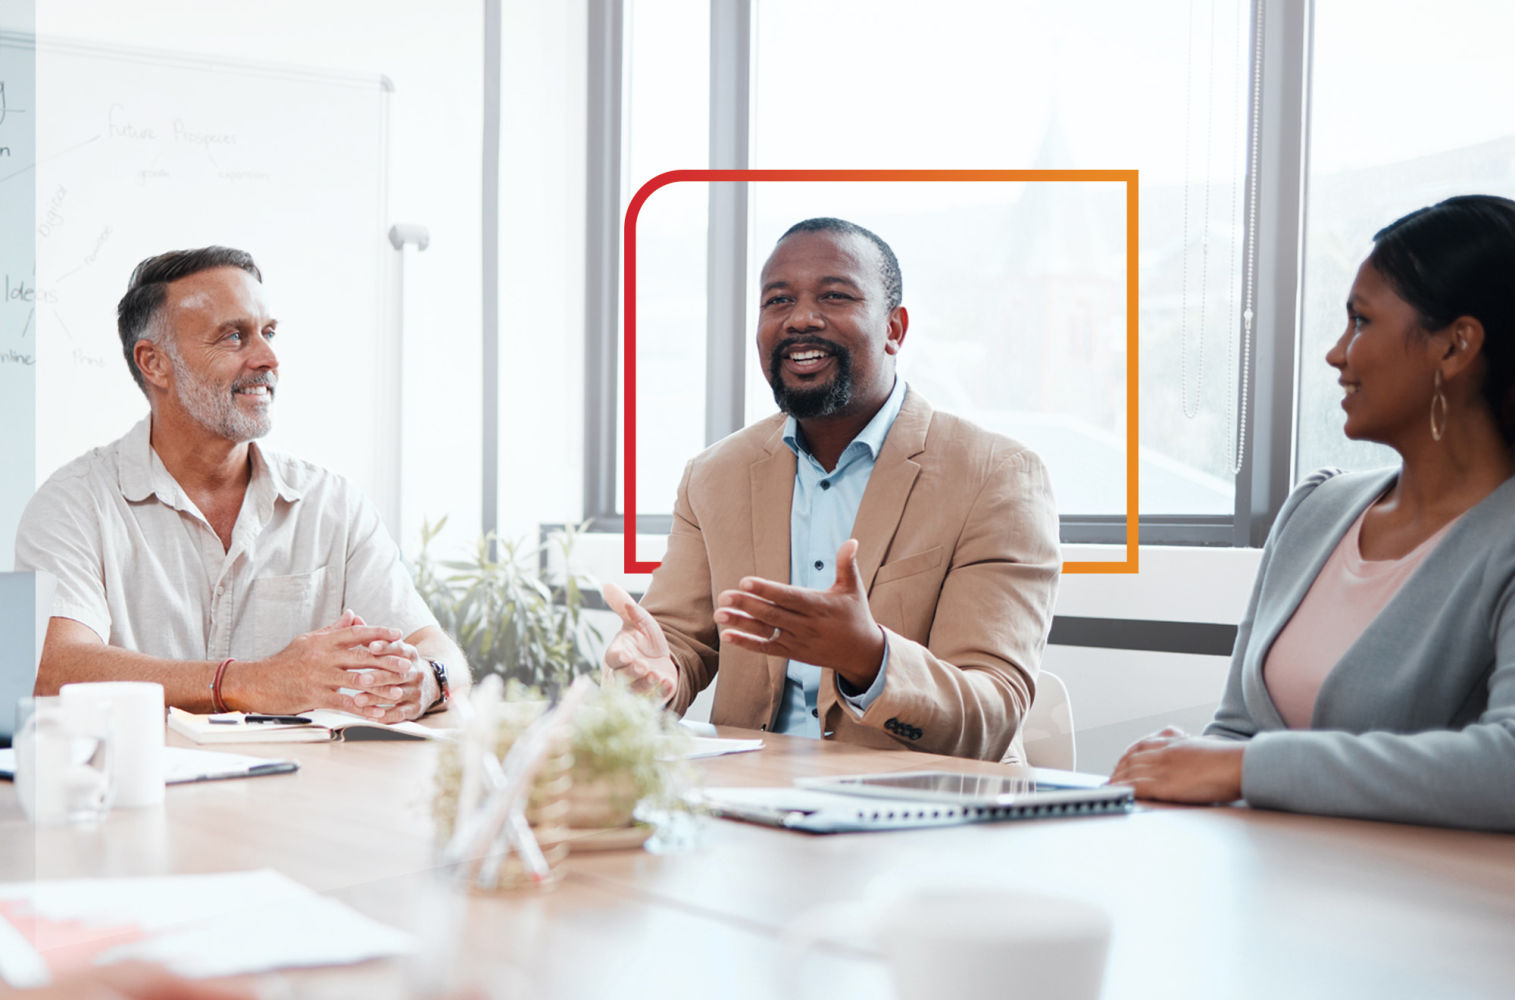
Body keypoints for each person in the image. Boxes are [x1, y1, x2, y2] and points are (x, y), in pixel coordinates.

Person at [1110, 194, 1515, 831]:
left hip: (1426, 913)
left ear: (1455, 346)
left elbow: (1505, 769)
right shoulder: (1315, 512)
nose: (1336, 353)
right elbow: (1234, 729)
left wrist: (1245, 770)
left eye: (1361, 321)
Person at [601, 218, 1060, 762]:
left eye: (835, 296)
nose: (801, 319)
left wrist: (869, 657)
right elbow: (678, 642)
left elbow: (994, 714)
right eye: (777, 301)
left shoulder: (997, 475)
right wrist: (658, 674)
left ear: (894, 328)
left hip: (924, 815)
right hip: (750, 804)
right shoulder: (714, 475)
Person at [14, 247, 466, 721]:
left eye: (268, 333)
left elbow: (435, 648)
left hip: (308, 790)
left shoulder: (333, 504)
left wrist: (428, 678)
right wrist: (255, 681)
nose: (268, 358)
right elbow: (55, 669)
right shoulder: (73, 504)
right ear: (153, 363)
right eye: (234, 337)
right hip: (141, 790)